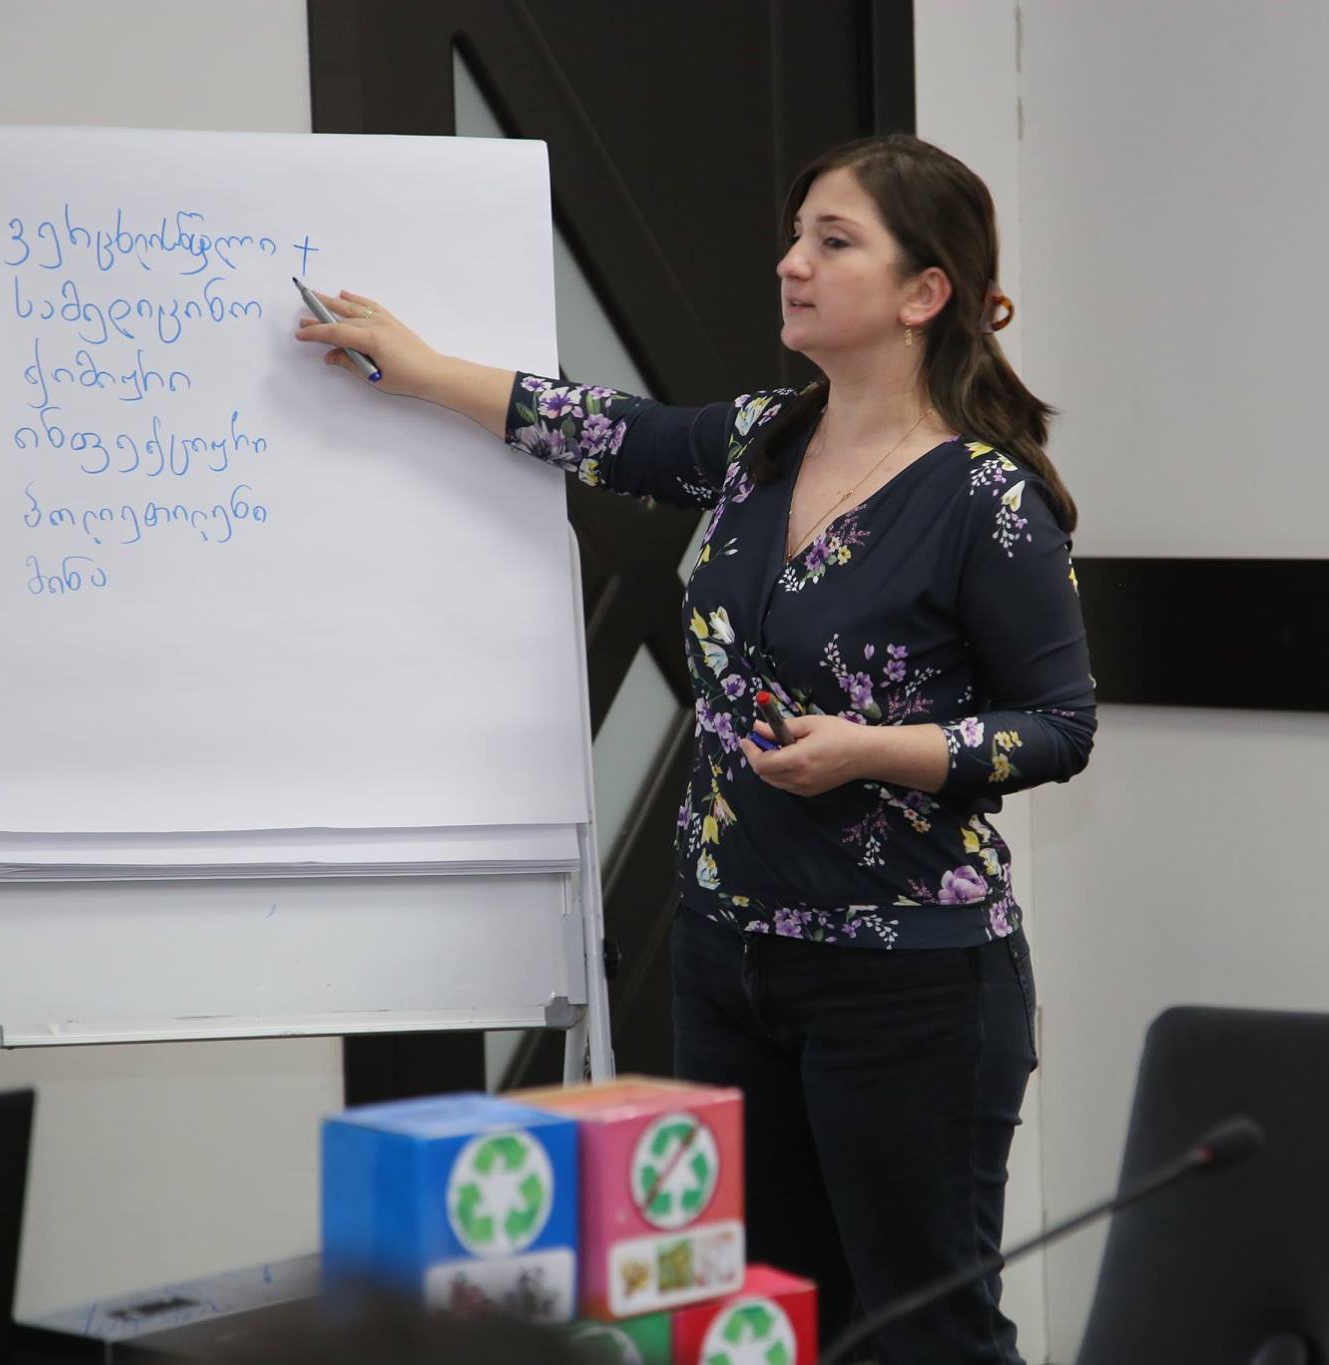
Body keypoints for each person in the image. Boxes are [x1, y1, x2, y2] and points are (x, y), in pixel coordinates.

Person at [295, 133, 1095, 1365]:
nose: (790, 263)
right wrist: (423, 371)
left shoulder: (985, 498)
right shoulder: (762, 439)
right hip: (727, 959)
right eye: (794, 236)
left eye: (832, 242)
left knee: (923, 1336)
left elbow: (1058, 727)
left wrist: (872, 750)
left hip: (909, 986)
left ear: (922, 293)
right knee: (762, 1321)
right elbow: (607, 431)